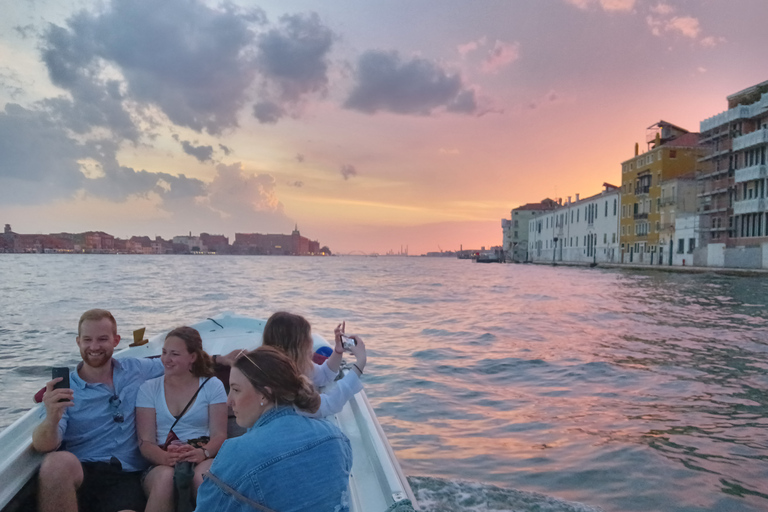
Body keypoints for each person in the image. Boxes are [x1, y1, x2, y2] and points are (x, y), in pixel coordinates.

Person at [32, 309, 164, 512]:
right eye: (87, 340)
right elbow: (43, 445)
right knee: (55, 463)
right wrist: (52, 417)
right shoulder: (65, 388)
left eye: (102, 339)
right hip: (81, 471)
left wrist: (220, 361)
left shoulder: (135, 369)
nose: (94, 347)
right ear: (78, 342)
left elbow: (174, 362)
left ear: (116, 340)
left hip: (125, 475)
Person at [194, 346, 352, 512]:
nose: (229, 401)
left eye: (236, 390)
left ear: (264, 394)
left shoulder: (237, 454)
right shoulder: (337, 437)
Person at [136, 326, 228, 512]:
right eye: (164, 353)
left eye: (175, 354)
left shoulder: (212, 386)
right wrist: (165, 457)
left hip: (203, 455)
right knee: (164, 480)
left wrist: (202, 453)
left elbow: (219, 435)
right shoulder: (149, 389)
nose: (166, 360)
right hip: (161, 460)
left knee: (204, 477)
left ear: (192, 357)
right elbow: (145, 442)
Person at [262, 311, 367, 418]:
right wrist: (360, 362)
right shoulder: (286, 389)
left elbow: (324, 375)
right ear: (298, 348)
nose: (311, 342)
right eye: (308, 337)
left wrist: (338, 351)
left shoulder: (285, 368)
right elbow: (329, 404)